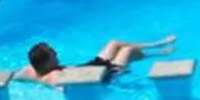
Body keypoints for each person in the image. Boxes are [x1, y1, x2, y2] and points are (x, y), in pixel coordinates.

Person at [22, 35, 176, 83]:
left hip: (89, 66)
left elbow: (15, 76)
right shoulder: (53, 76)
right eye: (53, 54)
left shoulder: (31, 70)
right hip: (105, 75)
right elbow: (63, 88)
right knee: (128, 51)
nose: (57, 55)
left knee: (114, 43)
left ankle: (155, 44)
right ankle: (159, 53)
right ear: (48, 61)